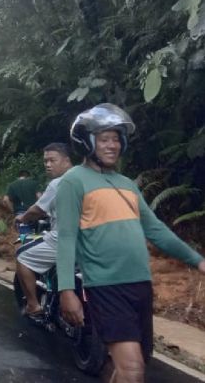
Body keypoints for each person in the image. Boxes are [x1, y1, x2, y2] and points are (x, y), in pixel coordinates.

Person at [56, 103, 205, 383]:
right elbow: (66, 237)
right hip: (105, 285)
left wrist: (197, 260)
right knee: (132, 368)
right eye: (104, 139)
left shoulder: (127, 184)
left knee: (132, 367)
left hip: (139, 284)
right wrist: (66, 290)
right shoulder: (73, 182)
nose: (112, 145)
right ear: (87, 142)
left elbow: (156, 230)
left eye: (116, 139)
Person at [14, 143, 73, 320]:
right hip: (93, 239)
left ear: (66, 160)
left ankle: (33, 305)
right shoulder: (87, 178)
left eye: (52, 160)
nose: (47, 165)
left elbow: (37, 210)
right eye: (45, 161)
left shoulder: (58, 183)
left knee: (21, 257)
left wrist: (23, 218)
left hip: (63, 239)